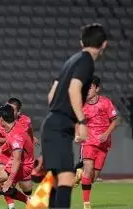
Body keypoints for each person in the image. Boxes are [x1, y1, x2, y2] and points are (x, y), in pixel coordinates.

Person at [42, 23, 107, 208]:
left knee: (56, 180)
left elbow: (51, 94)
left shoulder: (71, 60)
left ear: (81, 41)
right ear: (104, 44)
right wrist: (81, 121)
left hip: (52, 123)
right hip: (61, 125)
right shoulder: (87, 61)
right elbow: (74, 89)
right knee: (66, 177)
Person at [0, 98, 37, 209]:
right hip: (23, 162)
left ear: (1, 119)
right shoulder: (13, 127)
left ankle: (26, 200)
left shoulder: (15, 135)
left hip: (24, 165)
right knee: (2, 185)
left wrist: (10, 180)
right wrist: (2, 148)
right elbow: (10, 142)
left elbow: (17, 159)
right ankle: (27, 201)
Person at [76, 76, 118, 209]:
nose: (87, 90)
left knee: (92, 177)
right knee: (88, 168)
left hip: (103, 144)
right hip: (88, 142)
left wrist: (106, 134)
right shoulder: (81, 104)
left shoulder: (106, 102)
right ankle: (86, 204)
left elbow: (116, 120)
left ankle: (79, 174)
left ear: (97, 89)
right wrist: (78, 134)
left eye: (90, 87)